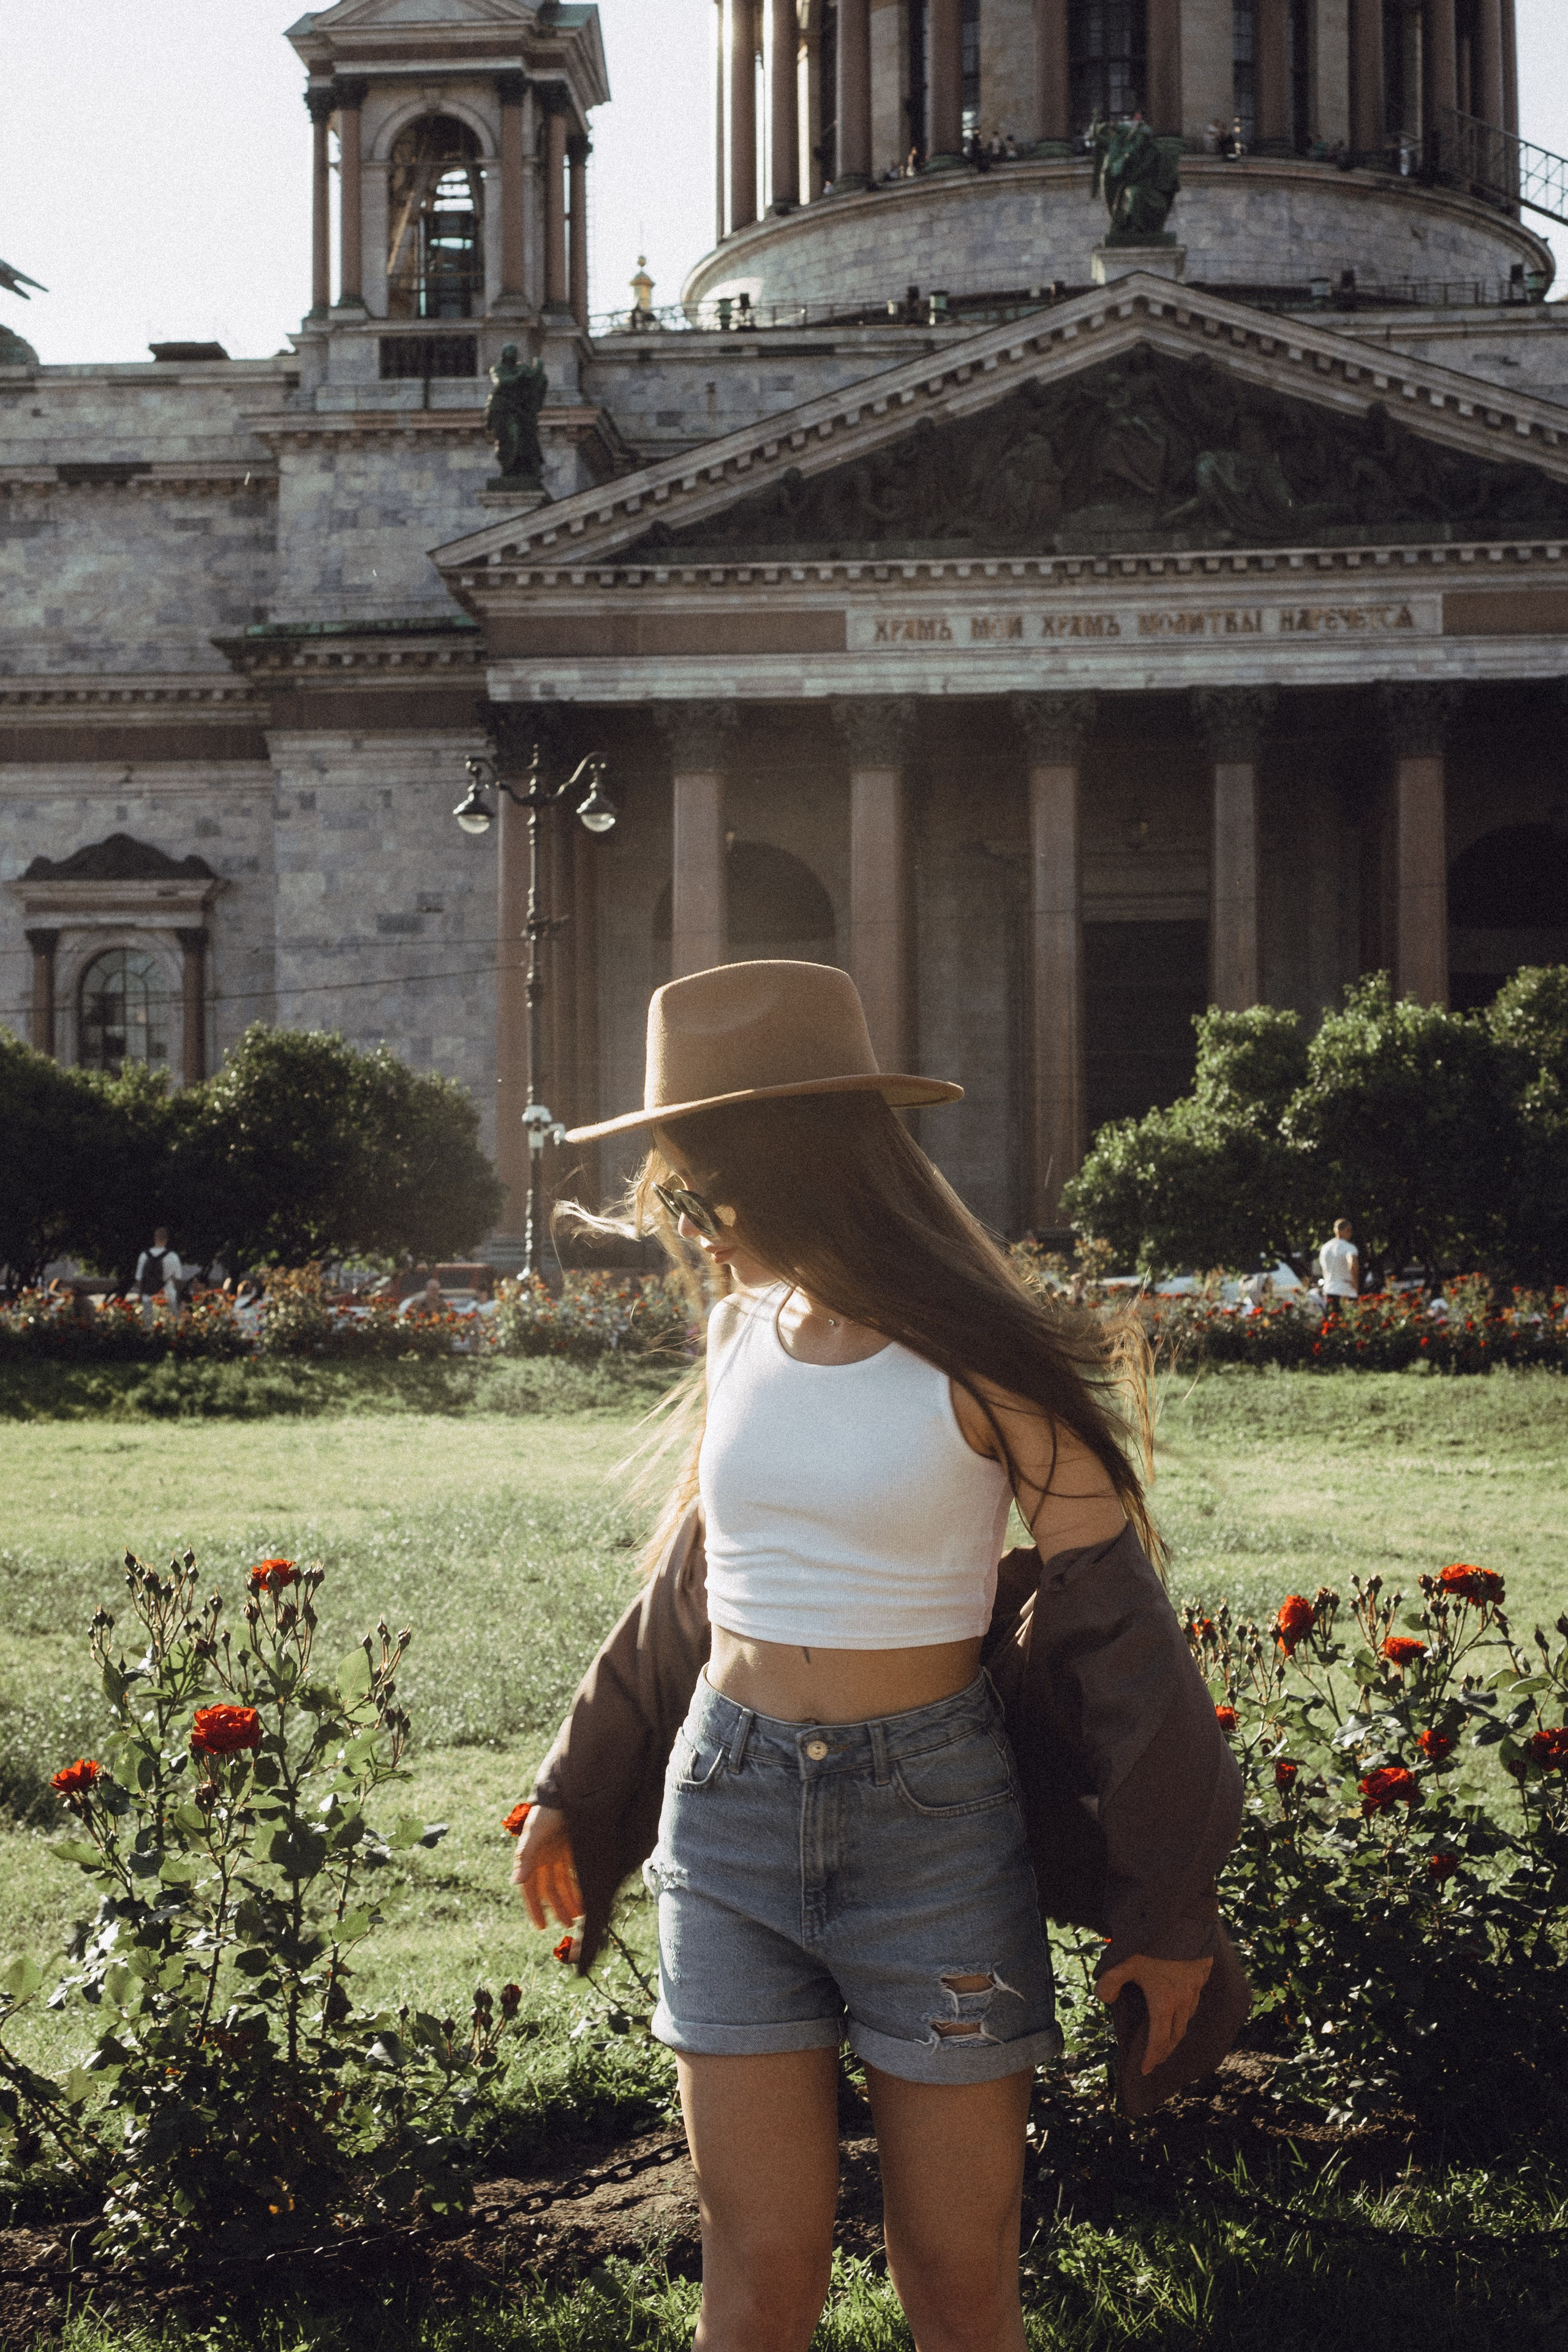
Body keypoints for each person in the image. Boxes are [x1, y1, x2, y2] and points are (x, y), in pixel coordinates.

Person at [510, 961, 1248, 2352]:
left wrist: (1167, 1907)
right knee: (758, 2271)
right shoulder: (738, 1334)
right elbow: (691, 1590)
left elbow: (1122, 1638)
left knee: (956, 2282)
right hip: (723, 1817)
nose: (685, 1226)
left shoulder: (984, 1364)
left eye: (692, 1189)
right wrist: (578, 1779)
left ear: (791, 1169)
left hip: (933, 1836)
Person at [134, 1229, 183, 1317]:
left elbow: (138, 1280)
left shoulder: (144, 1256)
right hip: (168, 1297)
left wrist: (141, 1296)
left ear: (154, 1238)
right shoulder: (173, 1257)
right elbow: (178, 1280)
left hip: (148, 1297)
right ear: (166, 1240)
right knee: (169, 1327)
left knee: (148, 1326)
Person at [1318, 1218, 1360, 1305]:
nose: (1351, 1233)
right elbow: (1353, 1264)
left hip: (1329, 1289)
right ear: (1344, 1231)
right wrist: (1356, 1285)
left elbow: (1323, 1268)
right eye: (1349, 1231)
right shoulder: (1349, 1247)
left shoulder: (1325, 1247)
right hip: (1346, 1290)